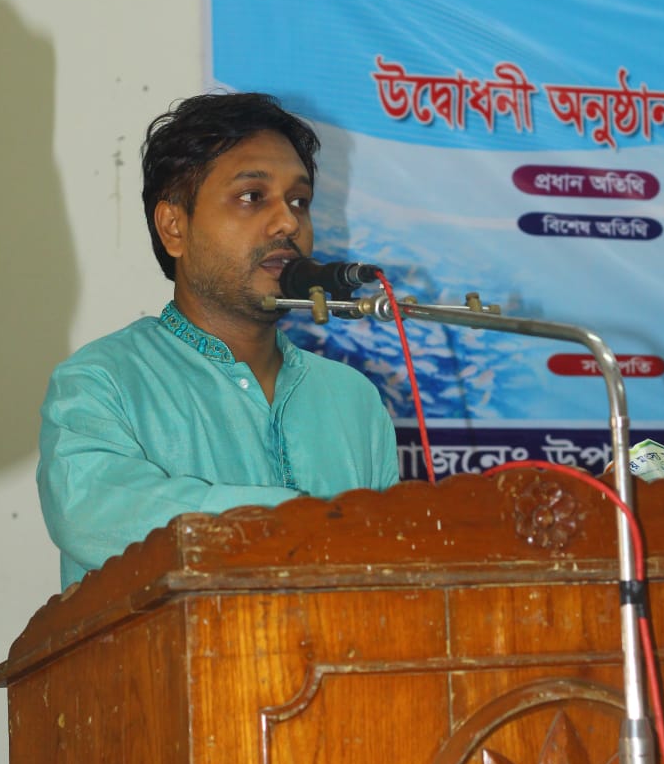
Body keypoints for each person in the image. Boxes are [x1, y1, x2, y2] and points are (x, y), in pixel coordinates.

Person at [38, 92, 400, 589]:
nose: (288, 222)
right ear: (174, 227)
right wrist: (298, 519)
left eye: (299, 201)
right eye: (252, 196)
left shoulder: (352, 398)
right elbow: (91, 515)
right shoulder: (103, 382)